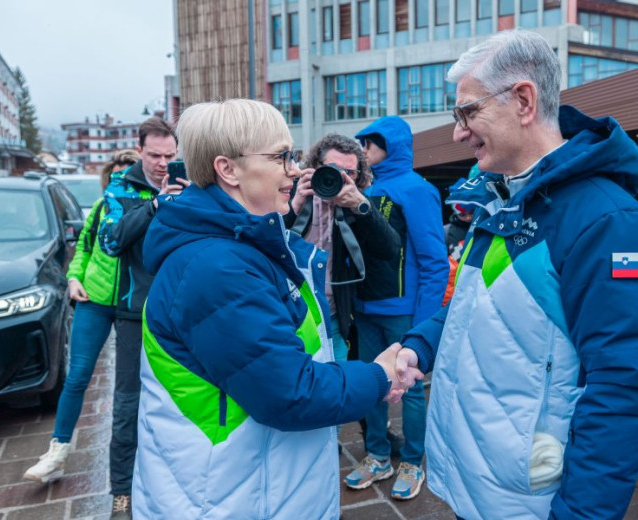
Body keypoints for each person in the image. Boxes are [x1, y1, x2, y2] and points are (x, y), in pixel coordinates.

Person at [394, 29, 638, 519]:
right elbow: (474, 306)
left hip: (531, 499)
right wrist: (418, 344)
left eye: (468, 112)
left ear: (523, 100)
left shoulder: (611, 223)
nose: (459, 131)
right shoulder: (500, 200)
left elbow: (625, 388)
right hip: (482, 483)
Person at [132, 99, 418, 519]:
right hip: (234, 499)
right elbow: (290, 393)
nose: (295, 170)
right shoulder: (217, 267)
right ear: (228, 170)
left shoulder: (242, 245)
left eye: (294, 156)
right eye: (282, 156)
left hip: (258, 488)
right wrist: (378, 375)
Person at [344, 116, 449, 500]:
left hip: (404, 311)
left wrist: (422, 326)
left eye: (372, 142)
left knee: (411, 390)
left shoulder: (416, 190)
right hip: (365, 308)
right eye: (362, 143)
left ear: (392, 145)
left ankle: (412, 459)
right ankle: (377, 454)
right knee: (372, 382)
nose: (364, 149)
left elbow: (435, 261)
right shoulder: (360, 188)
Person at [23, 150, 140, 485]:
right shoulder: (103, 208)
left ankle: (133, 453)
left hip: (133, 305)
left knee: (130, 385)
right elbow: (84, 249)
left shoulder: (147, 207)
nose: (120, 181)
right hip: (94, 299)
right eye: (115, 175)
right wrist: (74, 278)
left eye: (126, 174)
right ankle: (57, 452)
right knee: (77, 377)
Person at [98, 117, 186, 518]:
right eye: (155, 155)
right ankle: (121, 490)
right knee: (129, 403)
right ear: (140, 151)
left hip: (181, 308)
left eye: (170, 155)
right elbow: (111, 241)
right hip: (135, 313)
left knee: (177, 400)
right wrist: (154, 205)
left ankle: (170, 480)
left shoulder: (189, 183)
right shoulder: (121, 189)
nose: (163, 163)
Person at [286, 133, 401, 366]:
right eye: (332, 168)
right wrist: (294, 205)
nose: (340, 177)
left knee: (334, 385)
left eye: (349, 173)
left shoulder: (354, 205)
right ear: (315, 167)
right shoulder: (289, 190)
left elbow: (390, 249)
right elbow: (260, 240)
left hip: (332, 316)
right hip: (287, 312)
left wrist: (362, 206)